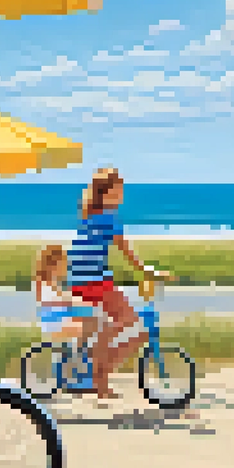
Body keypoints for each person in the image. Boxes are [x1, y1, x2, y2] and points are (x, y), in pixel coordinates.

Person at [68, 167, 163, 399]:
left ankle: (98, 377)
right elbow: (126, 251)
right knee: (130, 322)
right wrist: (146, 270)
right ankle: (97, 367)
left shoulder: (89, 217)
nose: (122, 195)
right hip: (95, 281)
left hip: (78, 281)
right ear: (106, 193)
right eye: (118, 190)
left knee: (112, 324)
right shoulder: (109, 219)